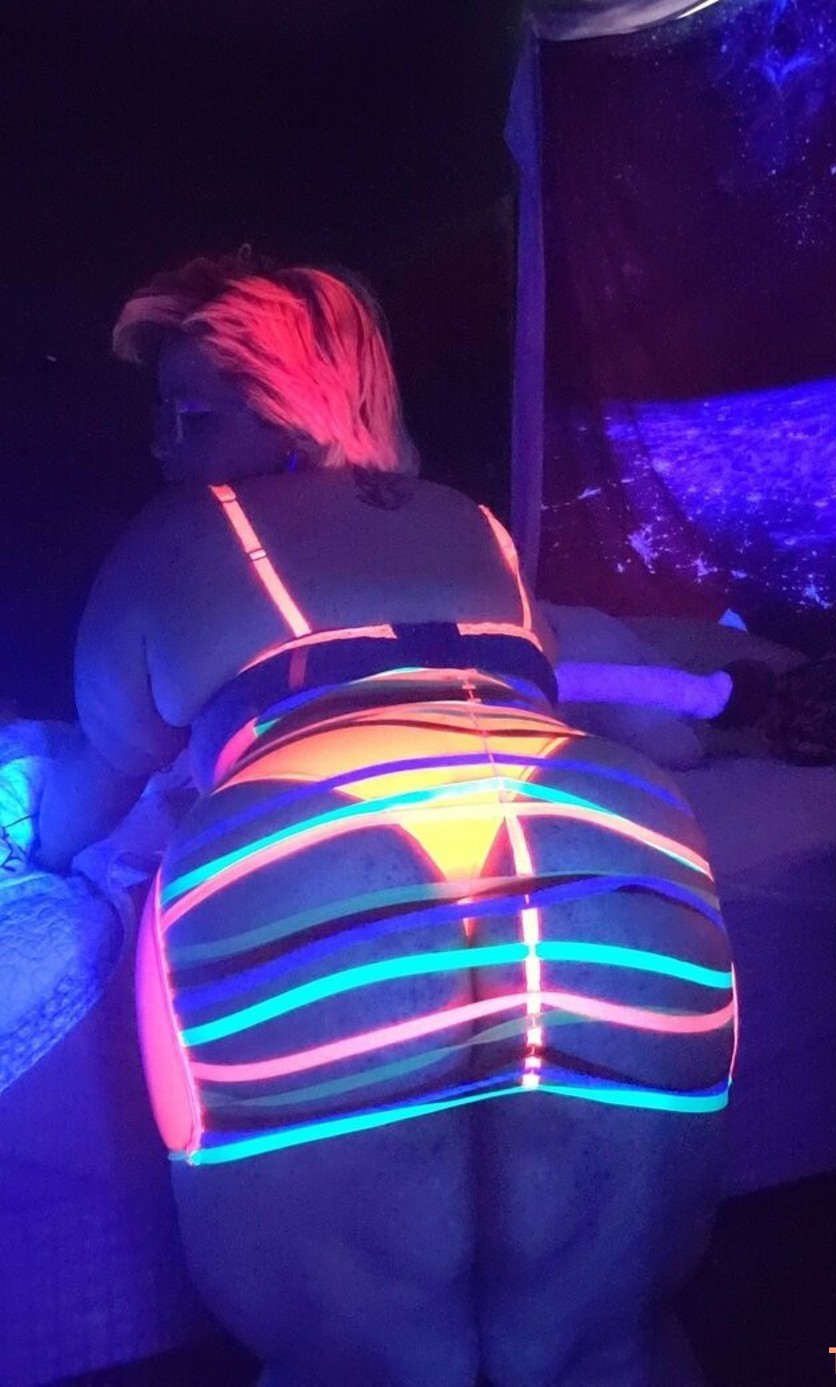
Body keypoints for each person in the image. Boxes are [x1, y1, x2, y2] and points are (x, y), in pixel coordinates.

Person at [36, 254, 735, 1387]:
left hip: (310, 837)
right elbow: (604, 695)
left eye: (194, 417)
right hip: (601, 820)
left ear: (291, 410)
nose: (162, 448)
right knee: (603, 1345)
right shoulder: (475, 525)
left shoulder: (172, 538)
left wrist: (39, 841)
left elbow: (89, 793)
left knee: (367, 1362)